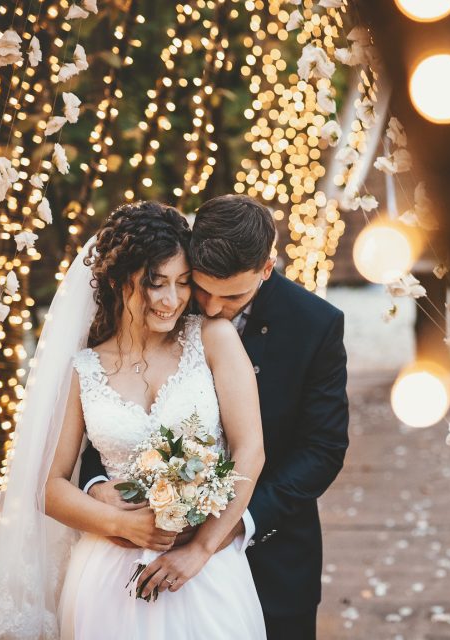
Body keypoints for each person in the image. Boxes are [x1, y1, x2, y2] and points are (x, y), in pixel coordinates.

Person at [0, 201, 266, 638]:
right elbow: (48, 487)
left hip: (205, 573)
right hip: (107, 577)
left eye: (183, 283)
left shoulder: (213, 339)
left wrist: (201, 550)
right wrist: (122, 524)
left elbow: (250, 451)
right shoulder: (83, 369)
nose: (172, 300)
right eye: (156, 284)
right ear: (119, 281)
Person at [79, 194, 350, 639]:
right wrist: (100, 486)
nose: (208, 307)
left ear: (266, 268)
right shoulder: (167, 298)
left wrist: (224, 532)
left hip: (274, 552)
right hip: (146, 551)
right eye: (201, 288)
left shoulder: (315, 324)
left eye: (232, 296)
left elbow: (322, 450)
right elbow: (111, 410)